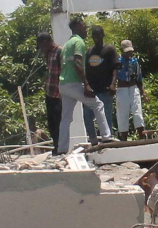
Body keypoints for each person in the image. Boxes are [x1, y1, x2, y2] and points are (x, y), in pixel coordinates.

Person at [56, 18, 106, 153]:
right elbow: (78, 63)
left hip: (63, 84)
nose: (86, 29)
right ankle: (107, 137)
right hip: (73, 82)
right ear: (77, 27)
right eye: (84, 26)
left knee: (66, 118)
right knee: (98, 104)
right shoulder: (79, 42)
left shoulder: (66, 44)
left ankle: (62, 148)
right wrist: (86, 84)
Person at [83, 25, 118, 138]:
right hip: (92, 91)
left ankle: (108, 139)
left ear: (103, 35)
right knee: (87, 116)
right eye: (94, 35)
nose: (96, 37)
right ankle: (93, 140)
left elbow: (115, 68)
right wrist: (86, 86)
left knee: (106, 117)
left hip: (105, 90)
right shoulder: (89, 51)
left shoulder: (109, 49)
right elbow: (86, 71)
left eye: (98, 34)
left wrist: (113, 84)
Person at [113, 39, 145, 139]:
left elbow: (139, 78)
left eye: (130, 51)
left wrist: (142, 92)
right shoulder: (117, 62)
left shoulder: (134, 62)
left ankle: (142, 136)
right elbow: (114, 76)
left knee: (137, 111)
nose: (129, 54)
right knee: (122, 112)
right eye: (127, 52)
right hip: (122, 89)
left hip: (133, 87)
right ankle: (124, 138)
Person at [35, 33, 61, 153]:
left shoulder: (60, 51)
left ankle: (61, 147)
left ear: (46, 41)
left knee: (59, 121)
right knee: (52, 122)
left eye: (41, 45)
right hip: (50, 92)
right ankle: (56, 146)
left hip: (59, 93)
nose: (41, 49)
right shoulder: (48, 53)